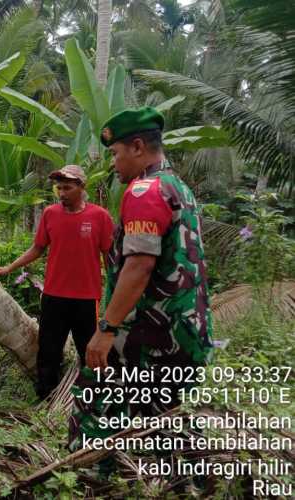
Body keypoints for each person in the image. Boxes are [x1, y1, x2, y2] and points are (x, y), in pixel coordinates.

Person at [69, 107, 213, 449]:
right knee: (168, 418)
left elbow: (139, 266)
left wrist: (106, 330)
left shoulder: (144, 191)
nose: (113, 164)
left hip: (148, 335)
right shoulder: (179, 188)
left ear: (137, 147)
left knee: (97, 402)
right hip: (187, 331)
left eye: (116, 154)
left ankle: (88, 476)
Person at [0, 165, 114, 399]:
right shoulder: (50, 214)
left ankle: (93, 400)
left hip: (87, 298)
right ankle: (46, 398)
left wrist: (114, 292)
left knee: (89, 349)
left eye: (67, 188)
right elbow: (37, 248)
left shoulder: (100, 217)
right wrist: (10, 267)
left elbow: (109, 257)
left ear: (81, 187)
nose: (62, 193)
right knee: (48, 351)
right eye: (59, 189)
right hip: (54, 296)